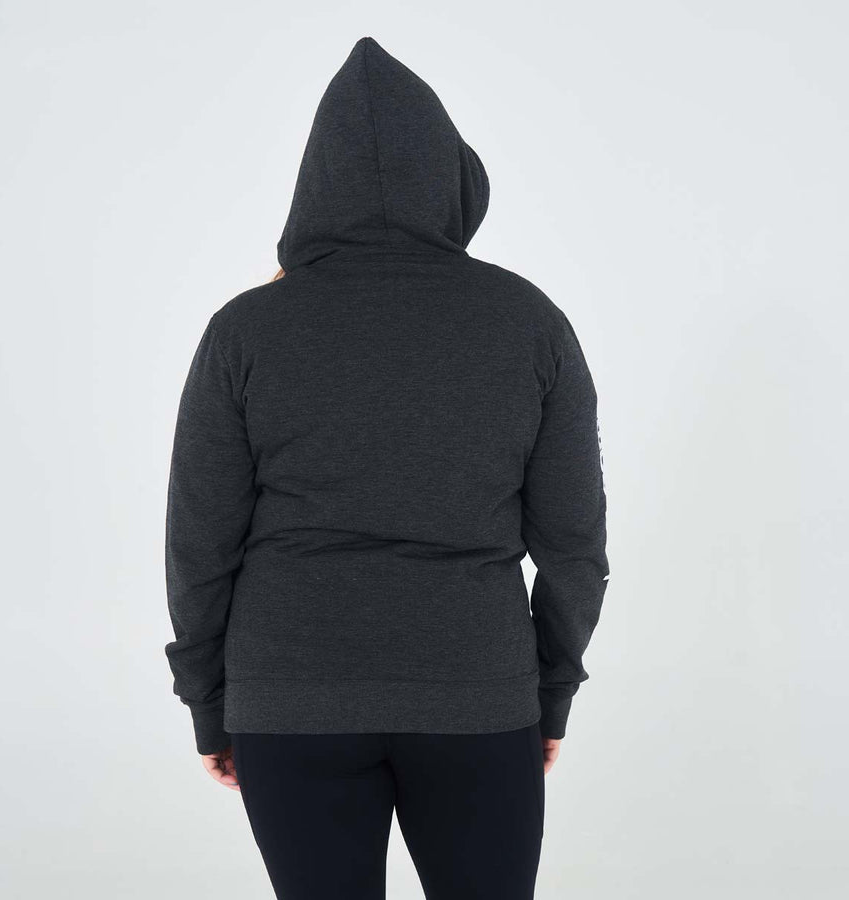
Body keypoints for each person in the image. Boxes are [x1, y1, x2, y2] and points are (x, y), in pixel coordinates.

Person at [164, 35, 609, 900]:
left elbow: (199, 546)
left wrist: (209, 702)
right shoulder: (528, 322)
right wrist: (550, 689)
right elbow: (574, 547)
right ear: (451, 177)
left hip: (290, 698)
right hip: (477, 695)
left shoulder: (245, 330)